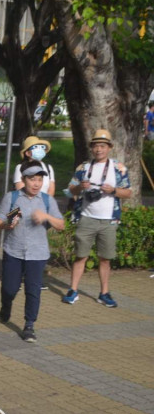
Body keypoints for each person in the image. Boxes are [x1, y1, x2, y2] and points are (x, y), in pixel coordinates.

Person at [0, 161, 64, 342]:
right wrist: (9, 223)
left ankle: (29, 325)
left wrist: (46, 216)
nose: (36, 184)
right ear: (23, 179)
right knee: (9, 289)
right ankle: (6, 304)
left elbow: (61, 225)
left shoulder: (47, 200)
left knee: (33, 290)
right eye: (32, 179)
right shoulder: (12, 197)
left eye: (39, 180)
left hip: (38, 253)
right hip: (13, 251)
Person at [63, 130, 131, 308]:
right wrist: (80, 187)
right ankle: (73, 290)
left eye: (102, 146)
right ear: (91, 148)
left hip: (109, 220)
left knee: (105, 258)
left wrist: (113, 191)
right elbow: (70, 190)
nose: (99, 149)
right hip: (86, 218)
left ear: (109, 148)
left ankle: (104, 293)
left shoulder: (119, 168)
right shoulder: (83, 167)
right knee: (80, 256)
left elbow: (128, 192)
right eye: (95, 146)